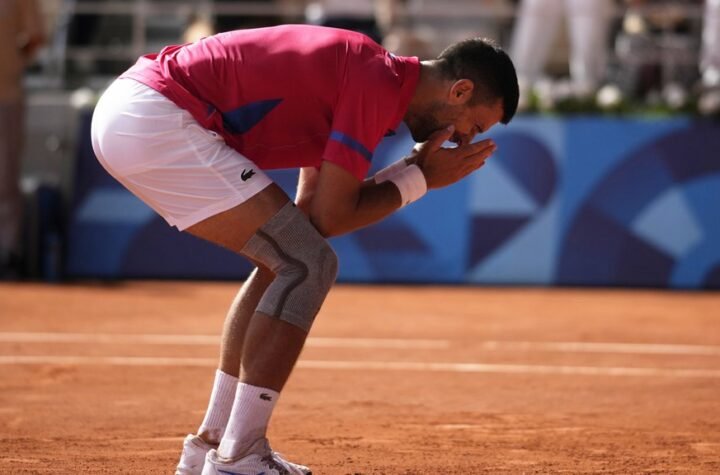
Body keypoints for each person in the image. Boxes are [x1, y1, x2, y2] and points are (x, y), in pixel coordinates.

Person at [90, 24, 518, 475]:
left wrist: (413, 173)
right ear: (460, 90)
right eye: (472, 127)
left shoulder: (372, 78)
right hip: (158, 118)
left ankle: (213, 445)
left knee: (291, 259)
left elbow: (315, 219)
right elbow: (333, 218)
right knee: (306, 264)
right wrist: (420, 178)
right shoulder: (374, 81)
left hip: (137, 113)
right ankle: (239, 455)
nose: (461, 141)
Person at [0, 0, 46, 277]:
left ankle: (8, 252)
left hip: (6, 95)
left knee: (5, 177)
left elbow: (36, 36)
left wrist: (12, 64)